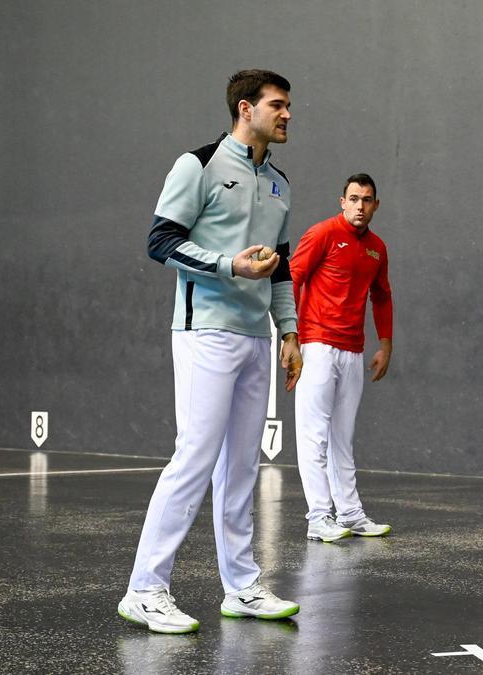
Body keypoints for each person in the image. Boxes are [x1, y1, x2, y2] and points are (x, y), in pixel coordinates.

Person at [120, 69, 303, 634]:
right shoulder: (197, 165)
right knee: (195, 456)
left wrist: (289, 332)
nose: (288, 114)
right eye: (277, 105)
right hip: (205, 331)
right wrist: (229, 266)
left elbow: (280, 267)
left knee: (242, 465)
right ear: (246, 108)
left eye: (289, 106)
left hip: (256, 338)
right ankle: (144, 589)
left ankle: (242, 586)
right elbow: (160, 241)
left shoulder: (280, 183)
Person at [289, 173, 394, 542]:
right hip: (316, 345)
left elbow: (381, 296)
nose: (359, 206)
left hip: (353, 351)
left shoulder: (377, 248)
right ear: (342, 201)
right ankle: (319, 517)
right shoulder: (322, 233)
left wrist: (385, 344)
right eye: (353, 199)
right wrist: (290, 337)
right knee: (314, 436)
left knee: (342, 438)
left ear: (375, 205)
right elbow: (292, 279)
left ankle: (349, 513)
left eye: (366, 200)